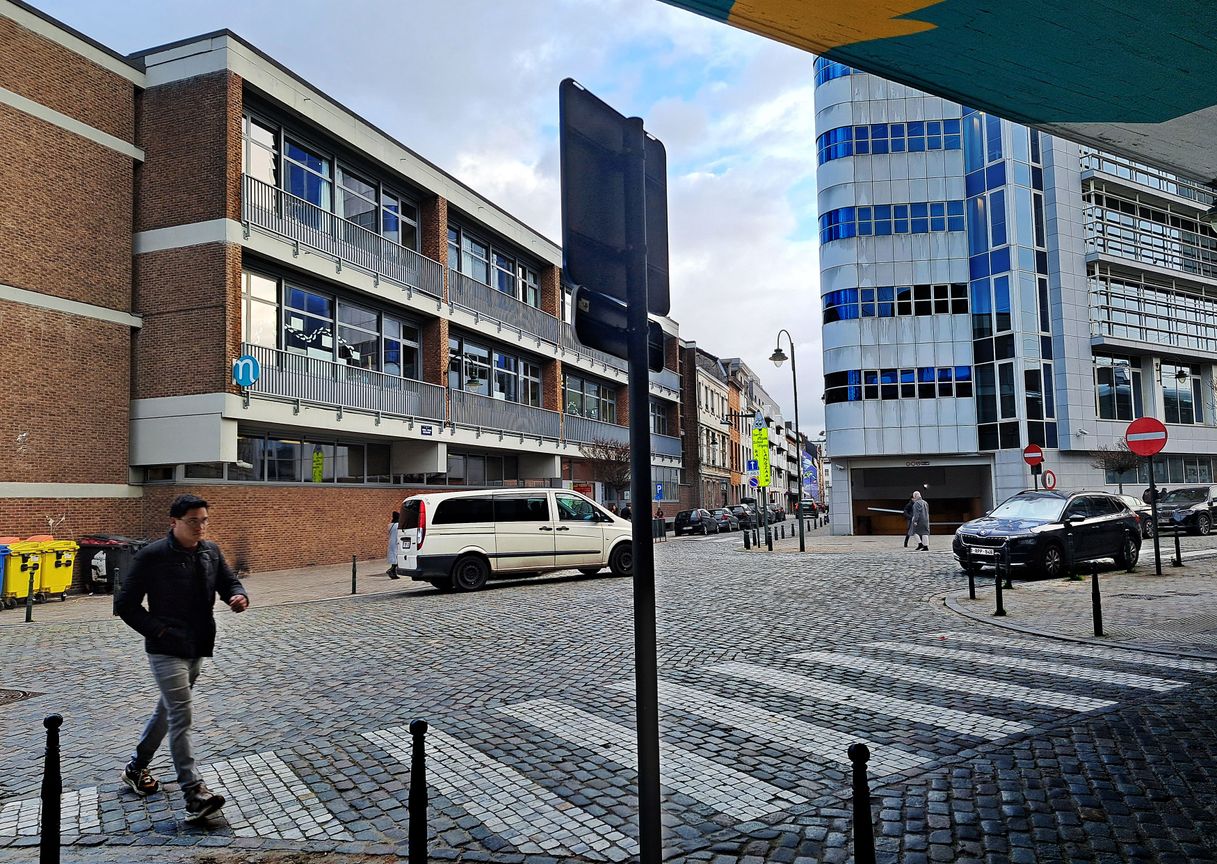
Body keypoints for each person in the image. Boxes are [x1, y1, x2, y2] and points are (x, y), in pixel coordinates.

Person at [115, 494, 249, 824]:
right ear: (174, 522)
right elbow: (125, 605)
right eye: (193, 521)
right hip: (165, 649)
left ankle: (135, 767)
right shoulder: (152, 556)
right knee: (181, 715)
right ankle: (194, 793)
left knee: (168, 711)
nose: (200, 527)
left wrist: (237, 594)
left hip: (198, 645)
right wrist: (159, 632)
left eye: (204, 520)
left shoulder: (210, 551)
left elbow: (227, 580)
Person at [386, 511, 400, 579]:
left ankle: (393, 573)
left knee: (395, 559)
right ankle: (391, 570)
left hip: (391, 542)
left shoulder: (390, 525)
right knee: (397, 558)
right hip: (396, 542)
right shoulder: (397, 525)